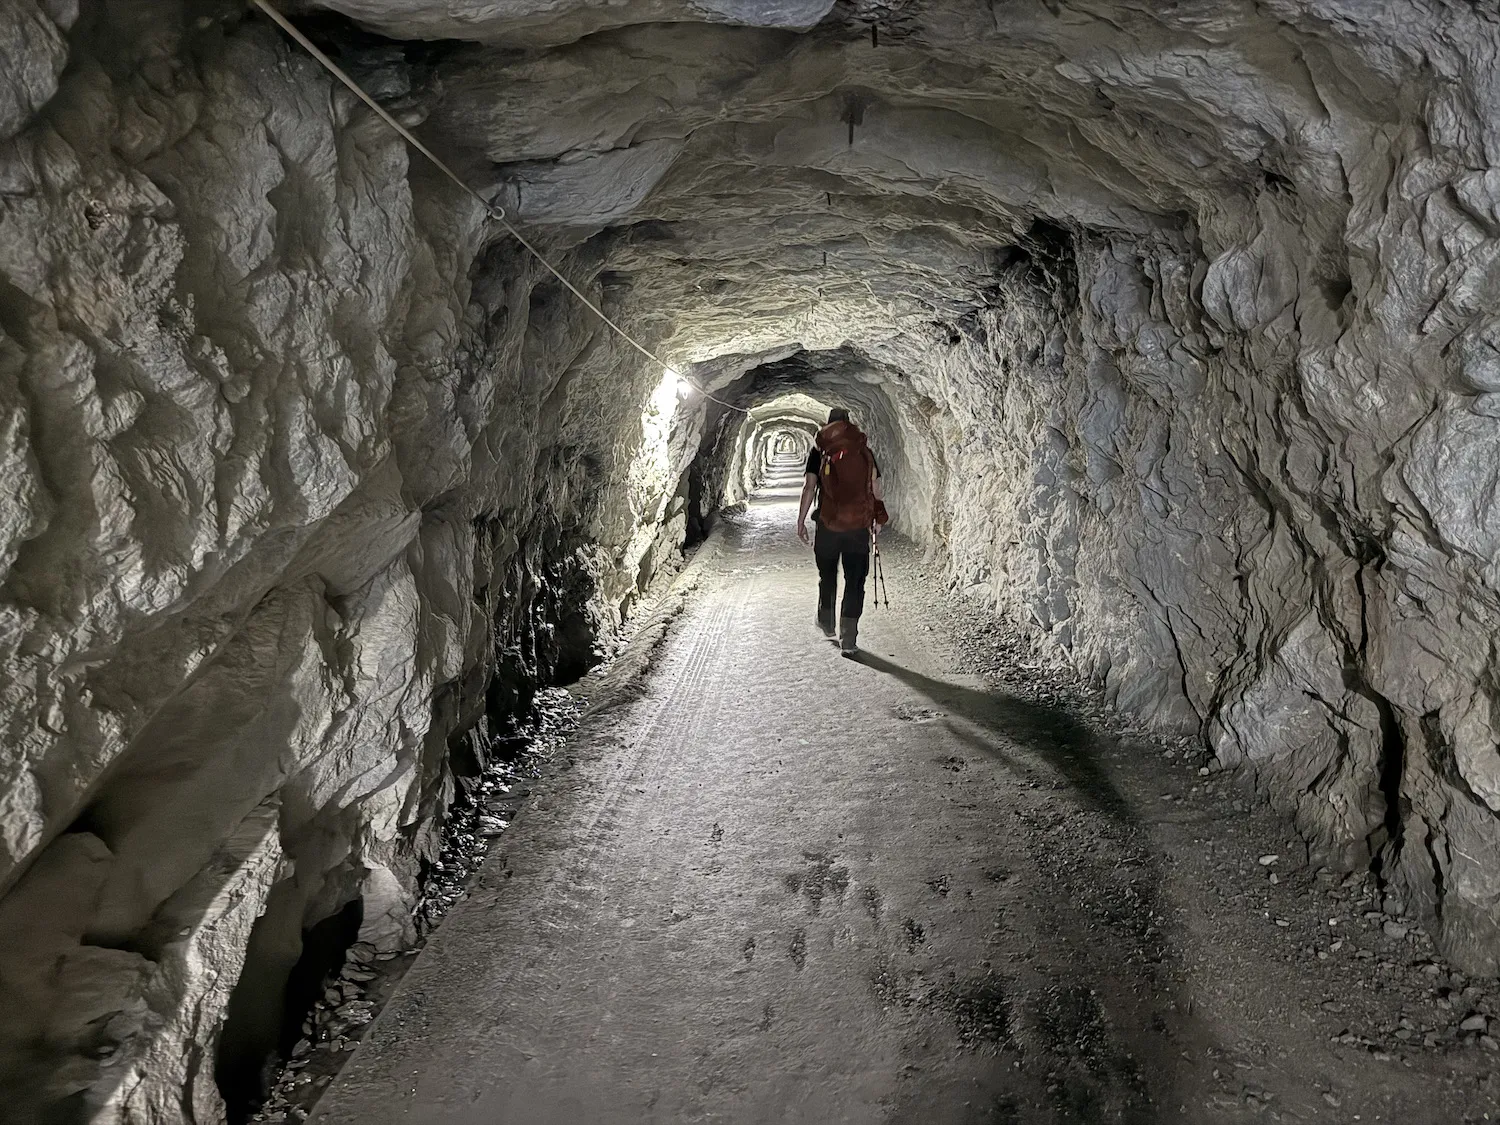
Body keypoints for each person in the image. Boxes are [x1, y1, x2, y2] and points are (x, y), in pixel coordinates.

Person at [796, 407, 889, 655]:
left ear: (827, 426)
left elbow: (809, 487)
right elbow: (875, 487)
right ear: (849, 425)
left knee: (827, 574)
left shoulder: (819, 452)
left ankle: (826, 622)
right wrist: (878, 517)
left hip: (827, 525)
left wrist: (801, 520)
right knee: (855, 580)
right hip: (858, 527)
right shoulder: (864, 452)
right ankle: (849, 639)